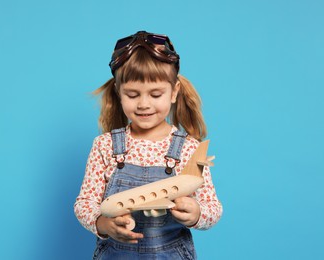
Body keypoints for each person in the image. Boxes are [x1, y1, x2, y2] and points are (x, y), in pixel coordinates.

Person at [74, 31, 223, 259]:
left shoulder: (189, 149)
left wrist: (197, 214)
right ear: (119, 93)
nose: (144, 104)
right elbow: (85, 203)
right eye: (133, 94)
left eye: (155, 94)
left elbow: (213, 208)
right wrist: (104, 224)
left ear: (173, 93)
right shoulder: (104, 146)